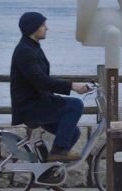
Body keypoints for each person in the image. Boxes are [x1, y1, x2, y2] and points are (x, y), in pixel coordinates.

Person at [11, 11, 89, 162]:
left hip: (39, 102)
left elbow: (43, 80)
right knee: (75, 105)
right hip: (30, 107)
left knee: (73, 133)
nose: (46, 28)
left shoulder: (32, 47)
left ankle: (48, 171)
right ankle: (58, 151)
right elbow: (41, 81)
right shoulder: (25, 51)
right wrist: (72, 86)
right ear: (32, 28)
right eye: (43, 25)